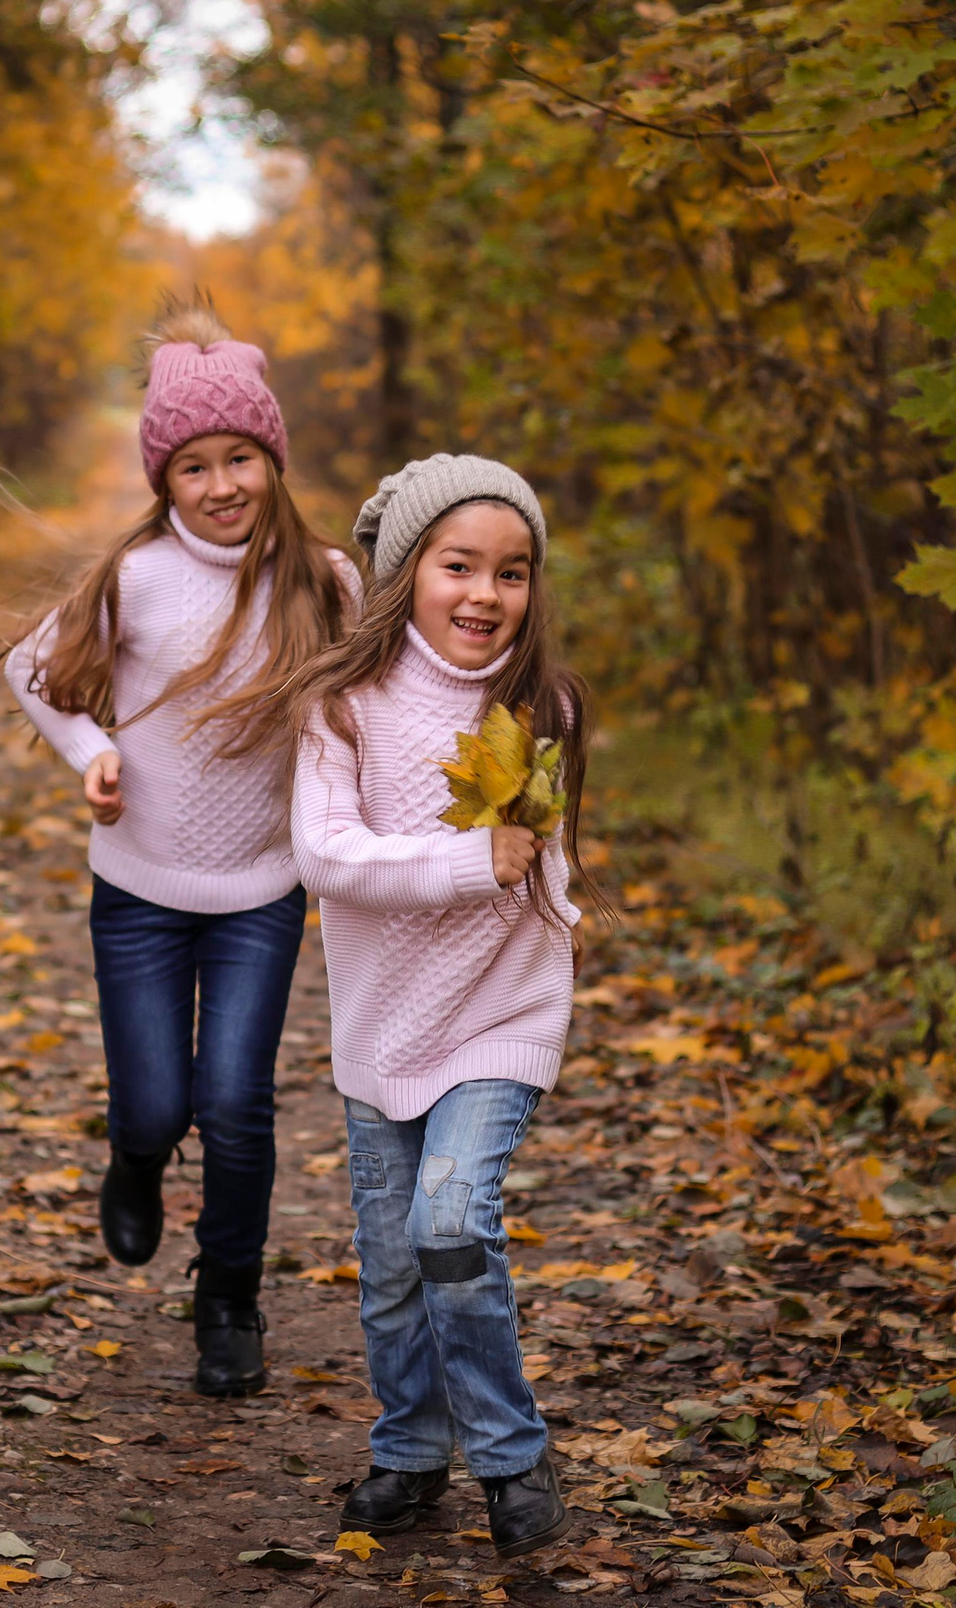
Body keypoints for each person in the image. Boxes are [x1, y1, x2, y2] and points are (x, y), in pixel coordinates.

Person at [0, 300, 357, 1398]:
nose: (222, 484)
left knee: (237, 1099)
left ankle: (228, 1296)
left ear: (272, 458)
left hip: (260, 889)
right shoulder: (138, 577)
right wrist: (90, 748)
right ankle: (136, 1155)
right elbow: (28, 668)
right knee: (157, 1100)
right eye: (193, 466)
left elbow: (383, 691)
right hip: (139, 890)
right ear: (164, 480)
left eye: (240, 457)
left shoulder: (322, 580)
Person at [277, 454, 603, 1557]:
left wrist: (552, 916)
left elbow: (548, 858)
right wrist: (471, 858)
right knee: (393, 1266)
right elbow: (326, 854)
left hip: (501, 1014)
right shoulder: (345, 706)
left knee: (452, 1222)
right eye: (458, 565)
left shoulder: (542, 701)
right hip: (382, 1026)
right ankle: (410, 1448)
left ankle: (511, 1453)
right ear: (406, 571)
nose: (484, 593)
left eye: (511, 572)